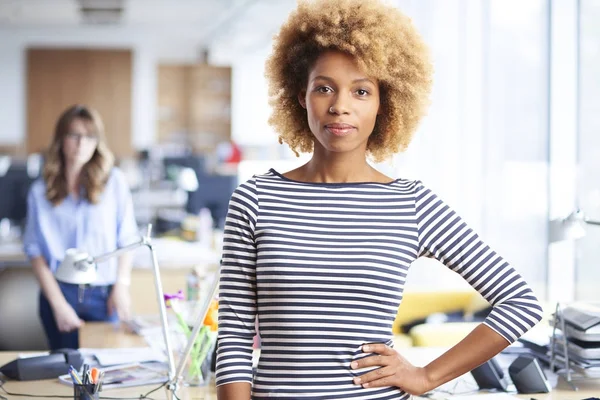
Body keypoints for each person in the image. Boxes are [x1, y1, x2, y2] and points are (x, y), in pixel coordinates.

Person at [216, 0, 544, 398]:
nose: (340, 106)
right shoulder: (256, 197)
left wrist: (426, 377)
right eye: (324, 88)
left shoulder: (412, 204)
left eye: (361, 91)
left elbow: (520, 302)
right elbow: (233, 335)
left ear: (383, 103)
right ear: (301, 95)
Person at [23, 105, 139, 350]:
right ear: (61, 139)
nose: (81, 143)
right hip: (59, 293)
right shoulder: (39, 192)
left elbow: (127, 238)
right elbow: (35, 253)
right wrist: (58, 304)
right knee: (64, 375)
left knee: (105, 375)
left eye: (89, 136)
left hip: (104, 294)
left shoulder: (114, 182)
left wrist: (122, 286)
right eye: (74, 135)